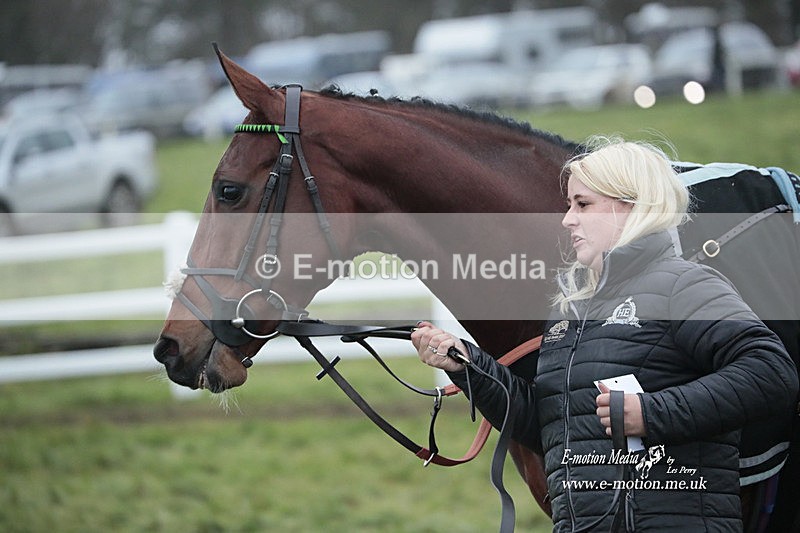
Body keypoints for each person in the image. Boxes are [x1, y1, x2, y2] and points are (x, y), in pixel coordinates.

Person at [412, 137, 798, 532]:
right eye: (569, 205)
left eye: (583, 204)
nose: (567, 220)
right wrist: (467, 365)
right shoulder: (571, 310)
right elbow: (552, 426)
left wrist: (650, 414)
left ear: (630, 206)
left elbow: (771, 374)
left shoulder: (686, 285)